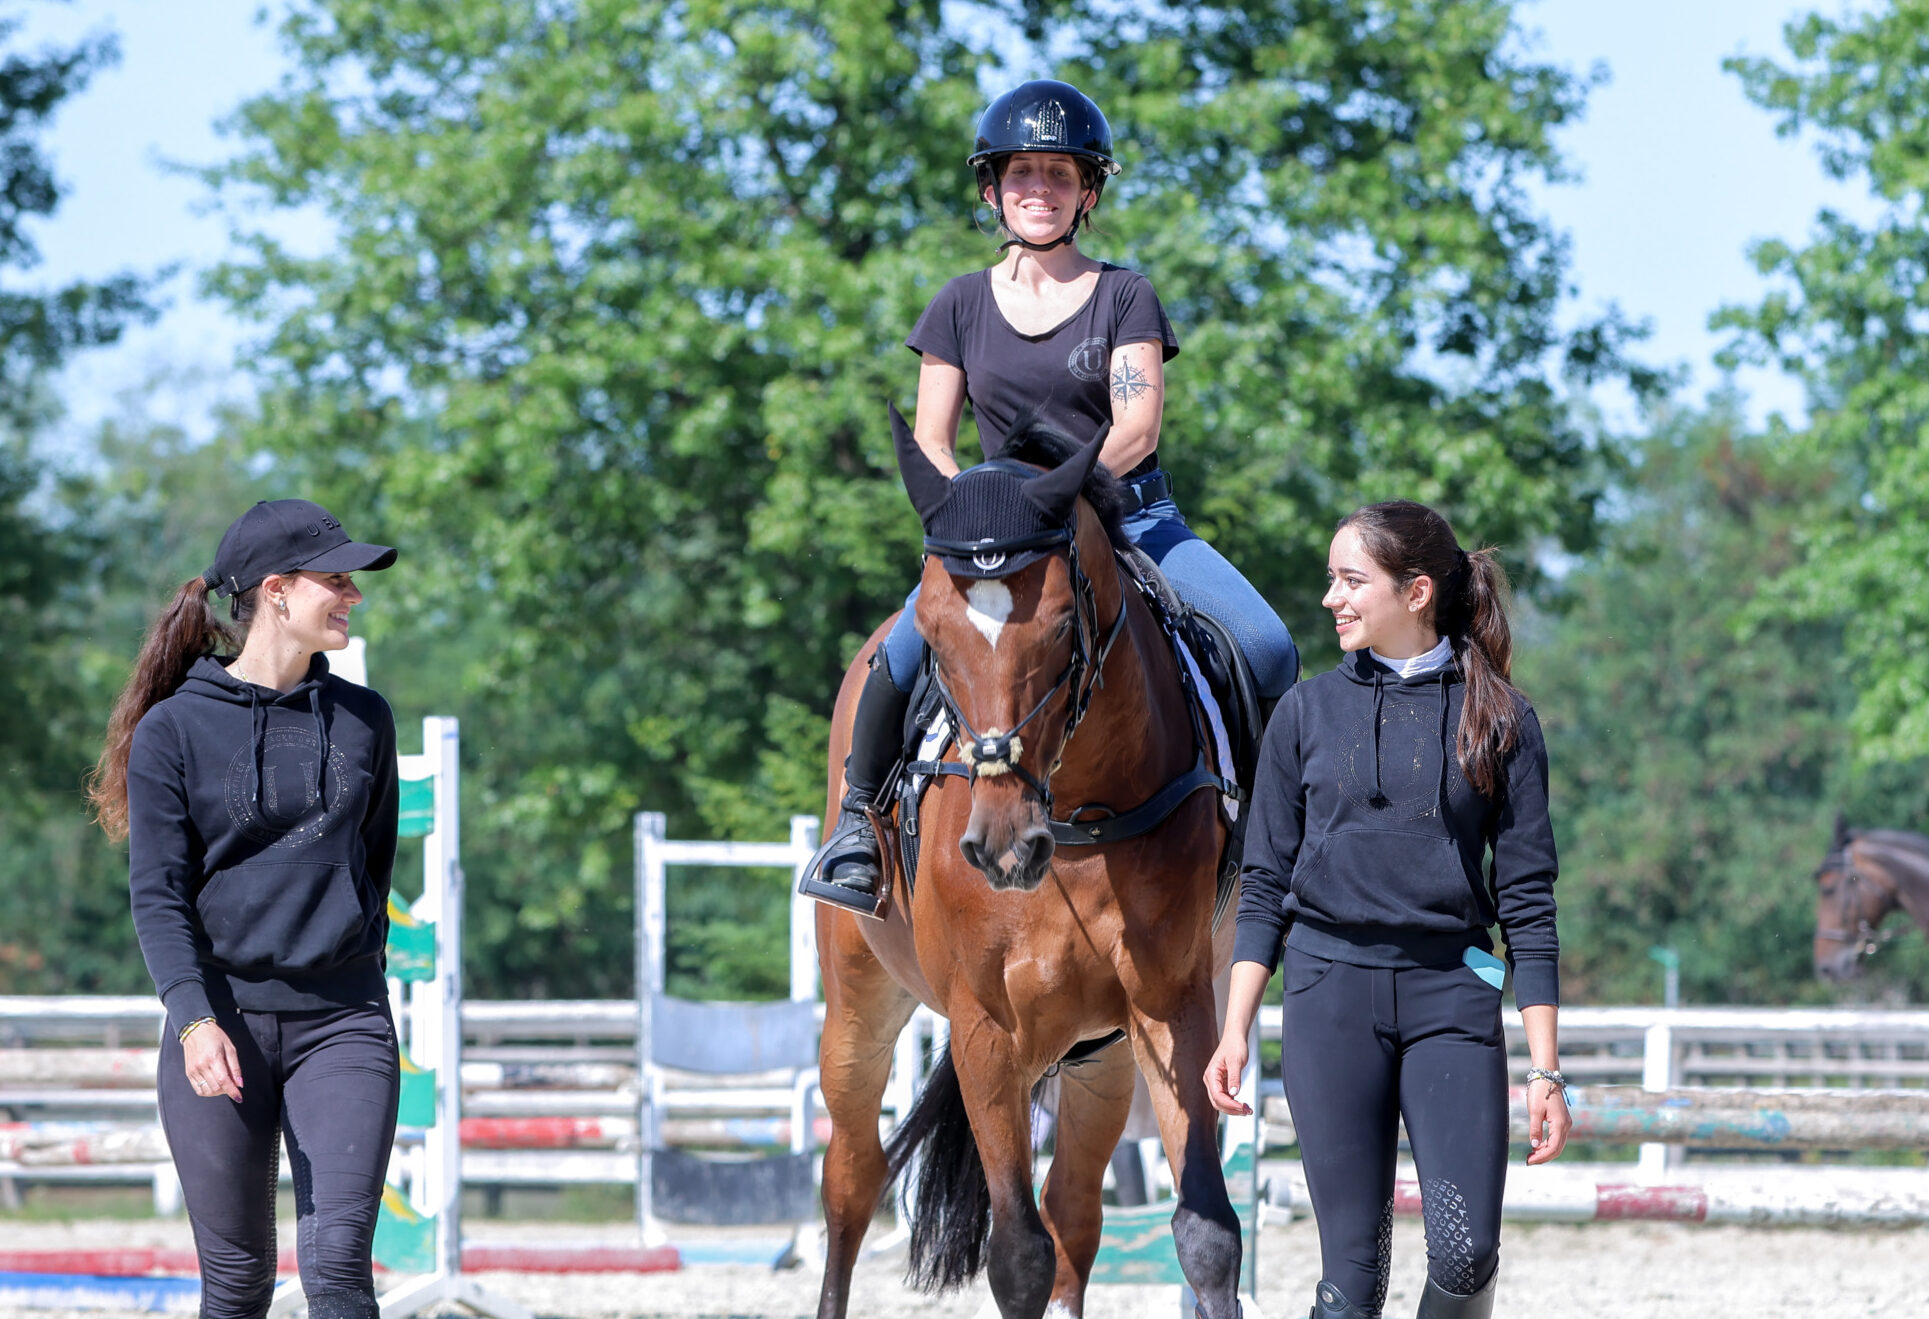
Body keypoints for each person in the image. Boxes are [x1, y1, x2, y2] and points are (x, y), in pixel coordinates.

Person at [820, 78, 1298, 899]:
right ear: (991, 189)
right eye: (1021, 174)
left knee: (1266, 646)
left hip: (1131, 521)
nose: (1038, 189)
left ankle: (1270, 849)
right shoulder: (960, 304)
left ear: (1088, 193)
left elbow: (1136, 427)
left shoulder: (1123, 294)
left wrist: (1064, 512)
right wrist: (973, 516)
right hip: (994, 538)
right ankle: (858, 826)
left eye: (1058, 174)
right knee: (893, 654)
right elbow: (933, 439)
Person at [1204, 500, 1570, 1319]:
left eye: (1350, 580)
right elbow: (1264, 882)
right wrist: (1234, 1028)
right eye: (1331, 579)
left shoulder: (1502, 719)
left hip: (1453, 994)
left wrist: (1545, 1069)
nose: (1331, 597)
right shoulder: (1301, 714)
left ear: (1414, 592)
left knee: (1467, 1253)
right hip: (1328, 999)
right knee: (1351, 1281)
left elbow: (1527, 905)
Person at [87, 499, 402, 1319]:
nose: (352, 596)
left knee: (338, 1267)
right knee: (235, 1283)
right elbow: (158, 896)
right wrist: (193, 1019)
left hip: (344, 1020)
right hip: (217, 1025)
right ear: (277, 590)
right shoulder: (172, 732)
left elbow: (373, 864)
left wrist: (354, 966)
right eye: (337, 579)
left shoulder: (366, 722)